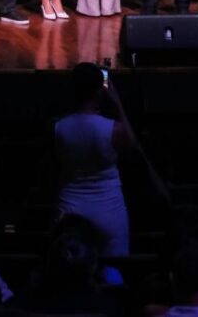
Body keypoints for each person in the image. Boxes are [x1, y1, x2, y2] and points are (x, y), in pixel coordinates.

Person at [54, 63, 133, 257]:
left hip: (69, 209)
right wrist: (117, 104)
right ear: (100, 91)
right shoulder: (114, 130)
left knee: (67, 269)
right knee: (116, 269)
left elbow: (50, 170)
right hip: (110, 210)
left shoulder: (57, 128)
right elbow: (134, 149)